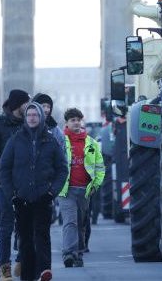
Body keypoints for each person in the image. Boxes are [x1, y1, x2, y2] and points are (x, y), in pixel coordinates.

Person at [0, 102, 66, 281]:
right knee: (25, 239)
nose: (32, 118)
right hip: (21, 198)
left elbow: (62, 169)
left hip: (43, 197)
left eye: (35, 115)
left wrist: (52, 192)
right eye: (29, 115)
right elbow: (4, 168)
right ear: (25, 118)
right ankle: (28, 276)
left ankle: (45, 270)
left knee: (42, 234)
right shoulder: (15, 140)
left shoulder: (51, 140)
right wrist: (11, 194)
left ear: (41, 118)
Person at [0, 89, 29, 281]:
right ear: (19, 104)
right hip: (4, 184)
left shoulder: (30, 123)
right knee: (6, 226)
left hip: (26, 183)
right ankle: (5, 267)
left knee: (26, 224)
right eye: (27, 102)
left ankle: (21, 259)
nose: (29, 105)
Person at [57, 108, 105, 268]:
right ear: (67, 123)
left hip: (85, 190)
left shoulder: (91, 142)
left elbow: (99, 166)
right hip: (66, 190)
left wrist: (95, 185)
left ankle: (77, 254)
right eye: (73, 120)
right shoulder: (60, 142)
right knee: (70, 222)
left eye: (78, 120)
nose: (76, 122)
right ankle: (68, 254)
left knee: (80, 222)